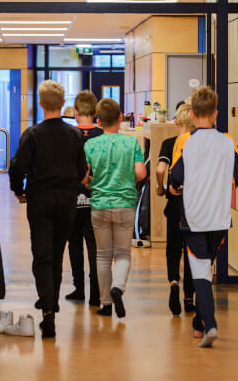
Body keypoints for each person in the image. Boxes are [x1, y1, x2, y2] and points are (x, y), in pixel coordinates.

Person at [9, 80, 88, 339]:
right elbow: (80, 171)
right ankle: (51, 303)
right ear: (64, 104)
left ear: (40, 104)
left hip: (40, 200)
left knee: (41, 254)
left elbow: (17, 166)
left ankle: (48, 312)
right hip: (66, 201)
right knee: (57, 253)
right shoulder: (75, 135)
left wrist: (18, 189)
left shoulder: (32, 134)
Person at [170, 86, 238, 348]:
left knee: (200, 272)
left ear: (191, 113)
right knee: (206, 268)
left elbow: (175, 178)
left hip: (194, 218)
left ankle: (210, 324)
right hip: (219, 219)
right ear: (215, 113)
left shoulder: (188, 143)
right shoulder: (227, 141)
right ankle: (200, 324)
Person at [85, 98, 147, 318]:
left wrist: (93, 182)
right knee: (122, 253)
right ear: (120, 117)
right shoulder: (131, 144)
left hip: (99, 204)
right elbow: (141, 173)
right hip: (125, 204)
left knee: (102, 256)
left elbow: (84, 176)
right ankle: (118, 287)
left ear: (98, 120)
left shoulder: (90, 145)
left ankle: (106, 304)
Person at [156, 102, 195, 316]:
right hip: (195, 205)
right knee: (192, 253)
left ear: (177, 121)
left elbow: (160, 168)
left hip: (175, 205)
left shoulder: (169, 143)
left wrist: (161, 188)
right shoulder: (199, 143)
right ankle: (189, 298)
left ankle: (173, 282)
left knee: (173, 248)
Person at [65, 90, 102, 306]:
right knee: (95, 246)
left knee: (75, 244)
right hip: (96, 198)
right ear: (95, 112)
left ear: (76, 112)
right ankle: (96, 293)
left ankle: (79, 289)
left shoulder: (69, 135)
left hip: (73, 198)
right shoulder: (102, 135)